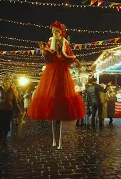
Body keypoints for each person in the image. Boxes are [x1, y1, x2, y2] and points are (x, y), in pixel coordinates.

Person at [27, 21, 86, 149]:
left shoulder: (65, 42)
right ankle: (54, 140)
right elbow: (48, 55)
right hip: (53, 69)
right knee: (52, 101)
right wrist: (43, 50)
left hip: (62, 70)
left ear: (61, 32)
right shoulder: (50, 41)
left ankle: (59, 141)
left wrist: (76, 62)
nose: (55, 33)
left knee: (61, 104)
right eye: (54, 31)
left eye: (57, 31)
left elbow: (69, 54)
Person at [0, 76, 20, 141]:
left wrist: (17, 109)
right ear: (3, 82)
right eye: (5, 82)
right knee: (0, 122)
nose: (7, 83)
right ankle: (1, 134)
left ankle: (5, 135)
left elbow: (14, 101)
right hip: (0, 109)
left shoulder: (11, 90)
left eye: (8, 82)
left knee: (7, 123)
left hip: (8, 110)